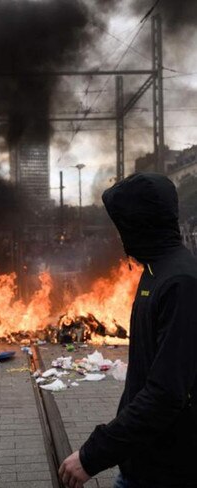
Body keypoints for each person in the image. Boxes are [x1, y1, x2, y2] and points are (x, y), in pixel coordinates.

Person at [59, 173, 197, 488]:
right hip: (144, 462)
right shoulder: (155, 271)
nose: (120, 237)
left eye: (122, 226)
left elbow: (165, 393)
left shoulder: (180, 283)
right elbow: (146, 378)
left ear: (138, 226)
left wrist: (93, 454)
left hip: (169, 472)